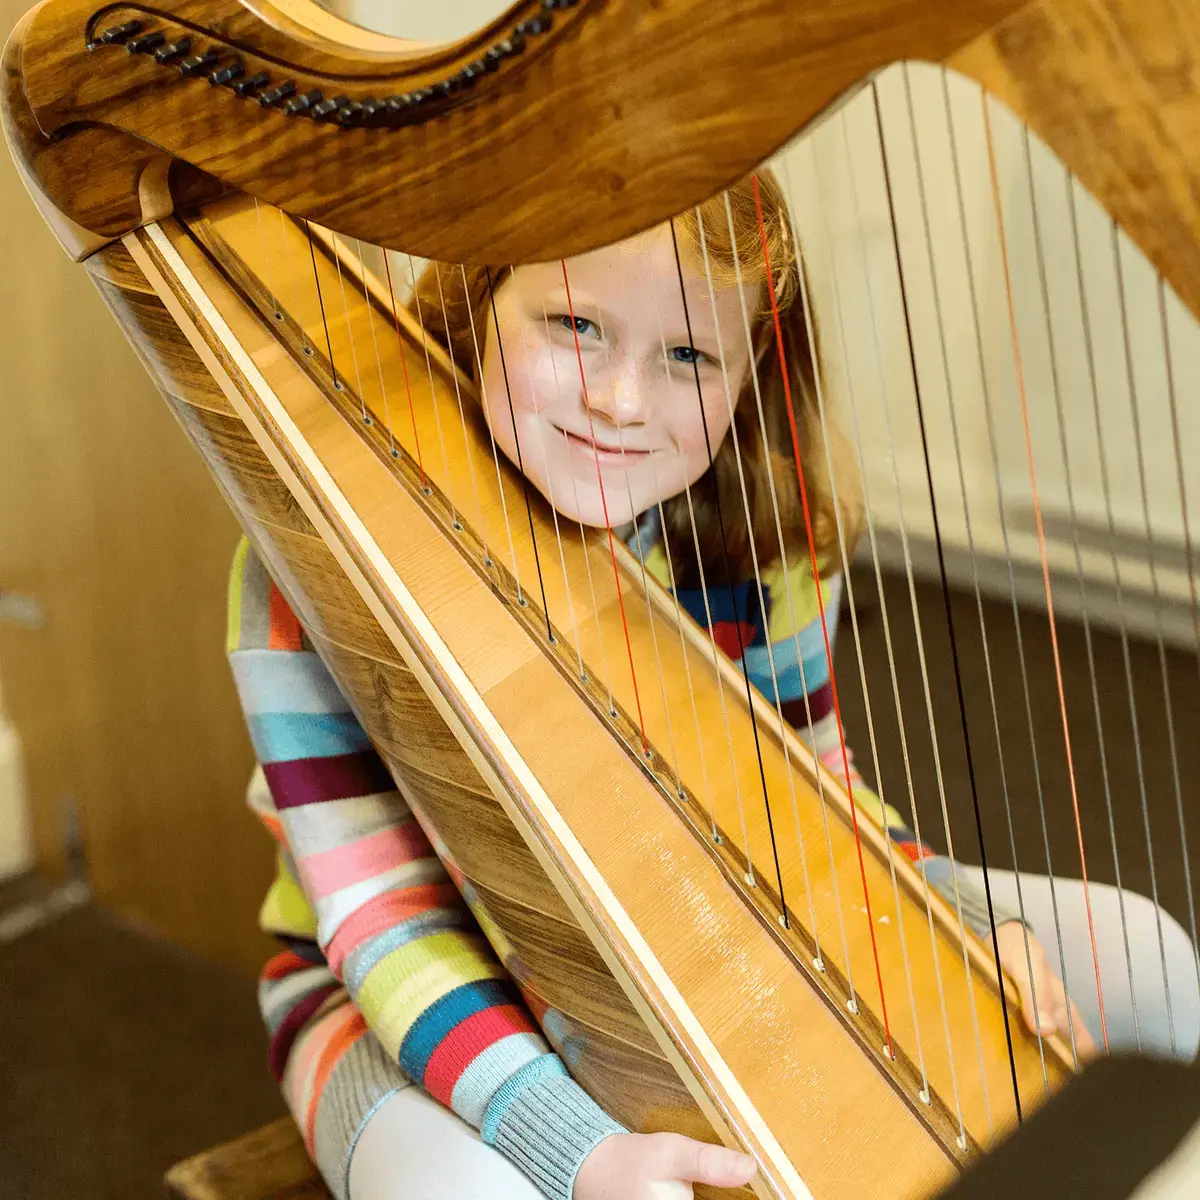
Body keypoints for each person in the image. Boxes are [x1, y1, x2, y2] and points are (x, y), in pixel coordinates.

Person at [226, 169, 1199, 1200]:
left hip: (701, 921)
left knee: (1144, 952)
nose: (621, 400)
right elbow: (382, 916)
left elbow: (818, 791)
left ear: (751, 377)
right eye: (575, 323)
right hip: (394, 994)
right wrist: (577, 1149)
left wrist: (953, 922)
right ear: (477, 304)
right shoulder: (308, 559)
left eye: (688, 354)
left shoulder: (756, 542)